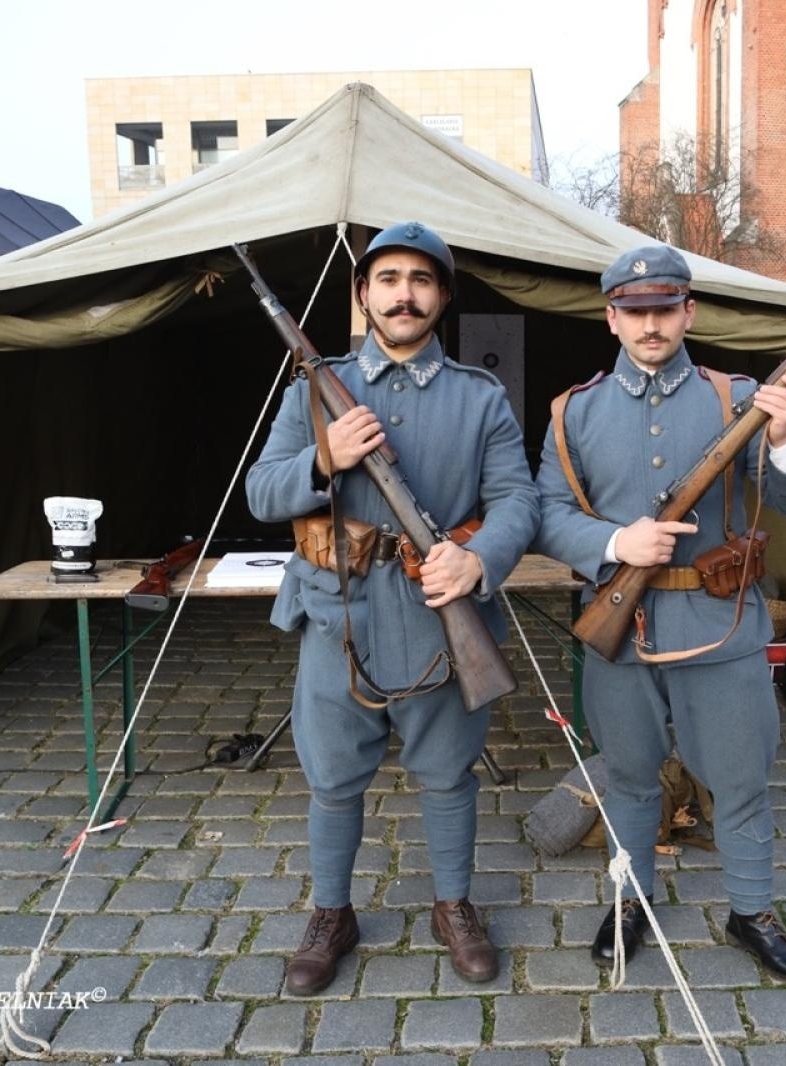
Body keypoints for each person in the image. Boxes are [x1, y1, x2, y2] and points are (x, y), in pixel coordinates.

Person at [245, 222, 540, 995]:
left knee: (447, 774)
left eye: (420, 279)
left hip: (438, 614)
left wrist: (477, 558)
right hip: (335, 615)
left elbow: (516, 498)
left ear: (441, 296)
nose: (402, 294)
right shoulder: (313, 388)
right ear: (362, 293)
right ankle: (332, 914)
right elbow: (261, 491)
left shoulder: (482, 398)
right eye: (387, 279)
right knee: (334, 779)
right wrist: (323, 458)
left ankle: (453, 904)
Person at [533, 245, 786, 980]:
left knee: (741, 776)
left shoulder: (737, 399)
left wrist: (784, 438)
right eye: (634, 311)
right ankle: (632, 899)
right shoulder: (575, 412)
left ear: (689, 311)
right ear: (612, 318)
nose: (651, 324)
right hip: (619, 626)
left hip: (718, 623)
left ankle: (751, 909)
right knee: (629, 776)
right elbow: (546, 513)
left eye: (664, 309)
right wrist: (613, 541)